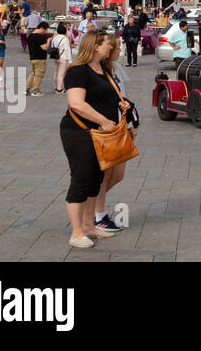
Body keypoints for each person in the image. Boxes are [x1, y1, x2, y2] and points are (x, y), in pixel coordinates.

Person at [59, 31, 127, 248]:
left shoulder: (102, 69)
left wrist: (121, 103)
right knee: (81, 179)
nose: (112, 47)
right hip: (80, 133)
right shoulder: (78, 71)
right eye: (108, 44)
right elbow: (76, 104)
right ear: (96, 46)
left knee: (95, 179)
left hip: (101, 134)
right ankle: (76, 233)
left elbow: (106, 95)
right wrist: (103, 121)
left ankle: (89, 226)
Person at [93, 32, 134, 232]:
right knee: (105, 174)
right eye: (115, 47)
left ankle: (90, 205)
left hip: (120, 125)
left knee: (118, 174)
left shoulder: (115, 68)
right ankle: (97, 214)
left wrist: (129, 126)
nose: (117, 51)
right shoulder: (99, 71)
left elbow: (123, 96)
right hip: (107, 128)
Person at [25, 20, 50, 96]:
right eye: (45, 30)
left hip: (32, 57)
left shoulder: (30, 35)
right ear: (42, 28)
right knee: (39, 75)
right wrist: (48, 41)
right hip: (40, 58)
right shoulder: (39, 37)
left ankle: (27, 89)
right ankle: (36, 91)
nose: (45, 32)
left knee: (33, 74)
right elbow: (44, 47)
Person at [50, 22, 73, 93]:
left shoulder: (54, 38)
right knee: (61, 73)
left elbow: (51, 47)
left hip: (56, 56)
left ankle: (55, 87)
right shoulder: (65, 39)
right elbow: (67, 50)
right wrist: (70, 61)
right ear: (65, 31)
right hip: (63, 58)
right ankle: (59, 89)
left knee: (56, 72)